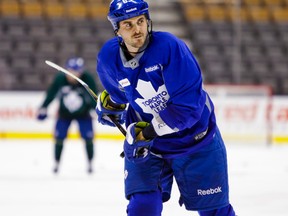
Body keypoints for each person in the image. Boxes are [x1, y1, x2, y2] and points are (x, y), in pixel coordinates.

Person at [95, 0, 236, 215]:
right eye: (128, 25)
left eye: (140, 21)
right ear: (117, 30)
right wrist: (111, 107)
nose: (137, 30)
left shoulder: (170, 47)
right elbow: (118, 94)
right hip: (151, 147)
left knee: (214, 211)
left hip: (196, 139)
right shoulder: (108, 58)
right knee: (143, 207)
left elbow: (187, 108)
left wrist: (148, 132)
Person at [37, 57, 98, 174]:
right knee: (59, 138)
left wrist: (94, 109)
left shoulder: (87, 79)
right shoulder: (60, 79)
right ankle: (56, 163)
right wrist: (43, 107)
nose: (74, 75)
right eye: (71, 71)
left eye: (77, 71)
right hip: (64, 114)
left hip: (84, 114)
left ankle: (90, 163)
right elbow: (51, 93)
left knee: (88, 138)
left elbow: (94, 95)